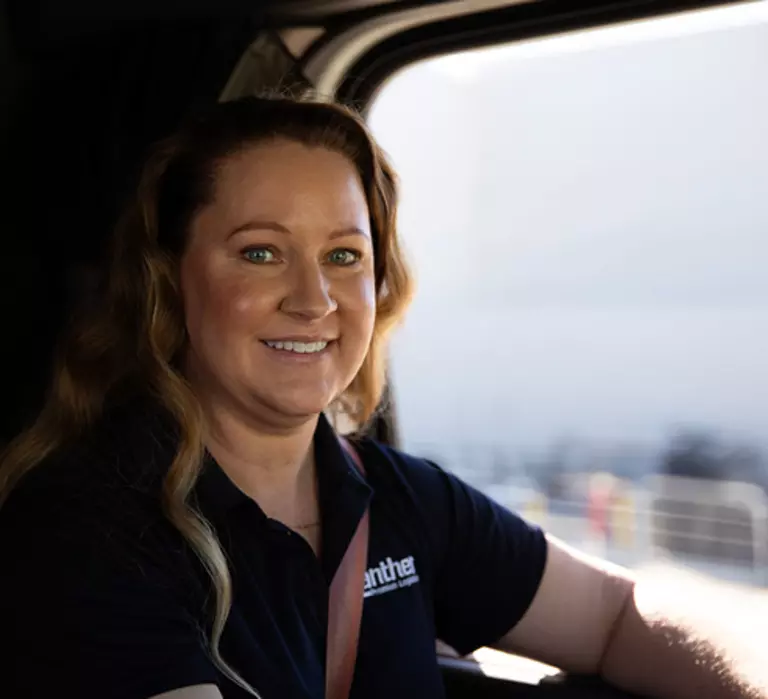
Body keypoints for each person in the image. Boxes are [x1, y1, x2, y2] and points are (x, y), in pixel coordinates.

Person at [0, 95, 762, 699]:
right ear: (172, 280)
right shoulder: (89, 528)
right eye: (260, 252)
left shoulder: (395, 497)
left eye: (343, 256)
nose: (314, 298)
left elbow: (617, 616)